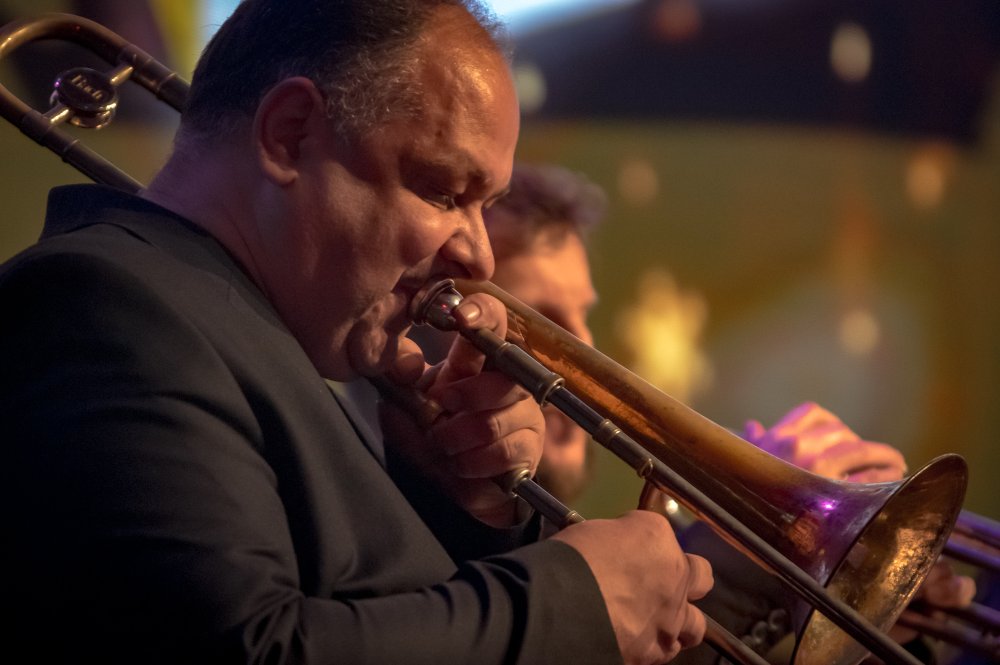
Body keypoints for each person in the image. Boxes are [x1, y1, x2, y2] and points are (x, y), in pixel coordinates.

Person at [0, 2, 714, 664]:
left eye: (485, 204)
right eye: (443, 191)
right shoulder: (103, 303)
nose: (480, 259)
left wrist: (457, 505)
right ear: (290, 134)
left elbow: (360, 609)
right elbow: (251, 648)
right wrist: (574, 605)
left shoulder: (242, 333)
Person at [451, 162, 977, 664]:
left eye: (581, 318)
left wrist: (865, 618)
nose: (580, 350)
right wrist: (751, 541)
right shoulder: (443, 577)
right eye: (540, 319)